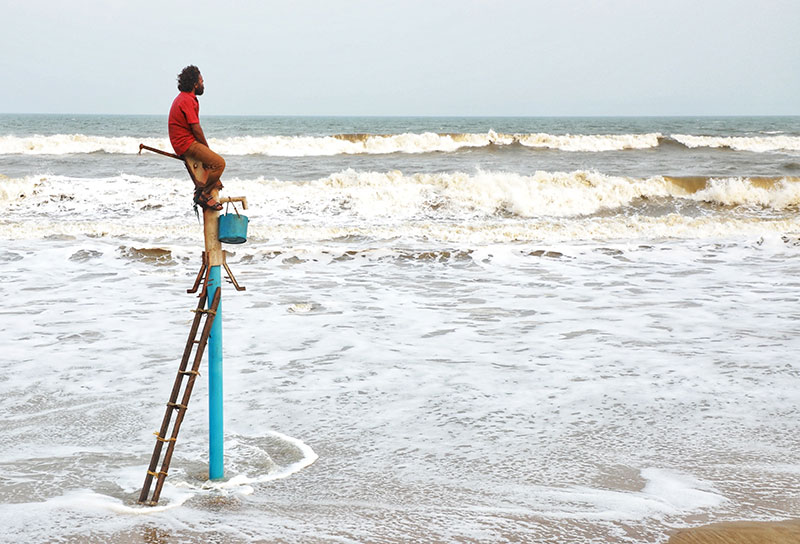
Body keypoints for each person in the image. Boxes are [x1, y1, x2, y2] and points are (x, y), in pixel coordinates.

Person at [168, 65, 225, 211]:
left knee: (211, 165)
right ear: (195, 84)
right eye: (201, 81)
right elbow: (196, 128)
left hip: (183, 142)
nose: (203, 85)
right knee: (219, 163)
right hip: (185, 143)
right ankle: (203, 194)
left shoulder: (185, 98)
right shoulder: (187, 100)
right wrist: (206, 148)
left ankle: (204, 189)